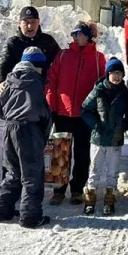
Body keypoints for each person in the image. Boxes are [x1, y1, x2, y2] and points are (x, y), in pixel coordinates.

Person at [44, 21, 107, 206]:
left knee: (82, 154)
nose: (75, 37)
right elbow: (51, 80)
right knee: (60, 153)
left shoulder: (98, 58)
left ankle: (77, 189)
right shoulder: (63, 56)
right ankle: (59, 189)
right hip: (62, 113)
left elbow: (102, 85)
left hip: (84, 115)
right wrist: (52, 105)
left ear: (87, 36)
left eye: (78, 34)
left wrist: (98, 109)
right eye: (73, 34)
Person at [0, 58, 52, 228]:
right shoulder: (34, 82)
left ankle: (1, 211)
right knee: (32, 175)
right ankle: (30, 217)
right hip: (29, 130)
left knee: (12, 172)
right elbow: (43, 112)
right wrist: (43, 135)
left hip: (9, 129)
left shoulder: (9, 81)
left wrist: (12, 118)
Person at [80, 57, 128, 217]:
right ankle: (90, 200)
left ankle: (109, 201)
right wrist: (96, 125)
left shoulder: (125, 93)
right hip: (98, 138)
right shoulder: (98, 90)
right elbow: (85, 109)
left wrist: (123, 126)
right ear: (108, 74)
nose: (117, 76)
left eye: (120, 73)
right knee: (95, 170)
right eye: (113, 73)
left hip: (115, 139)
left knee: (113, 172)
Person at [0, 6, 61, 86]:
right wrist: (0, 82)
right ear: (19, 23)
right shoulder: (13, 43)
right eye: (26, 22)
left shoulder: (48, 41)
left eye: (33, 22)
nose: (30, 26)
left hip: (45, 88)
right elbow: (4, 64)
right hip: (20, 87)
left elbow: (60, 61)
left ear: (38, 22)